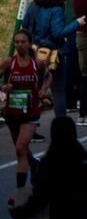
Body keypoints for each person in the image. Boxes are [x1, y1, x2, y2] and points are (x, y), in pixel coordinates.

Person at [2, 29, 49, 187]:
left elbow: (49, 76)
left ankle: (21, 190)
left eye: (23, 42)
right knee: (20, 148)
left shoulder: (38, 63)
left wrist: (43, 89)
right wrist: (3, 88)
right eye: (17, 42)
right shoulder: (9, 62)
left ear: (29, 44)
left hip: (31, 112)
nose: (19, 45)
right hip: (12, 112)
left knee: (21, 147)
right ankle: (34, 164)